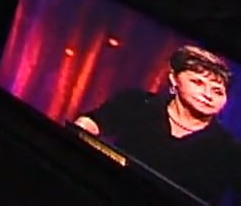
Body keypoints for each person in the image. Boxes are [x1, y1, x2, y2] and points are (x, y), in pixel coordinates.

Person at [74, 45, 241, 203]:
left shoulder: (229, 149)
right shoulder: (137, 103)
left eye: (217, 91)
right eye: (197, 82)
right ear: (174, 79)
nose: (208, 95)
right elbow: (90, 123)